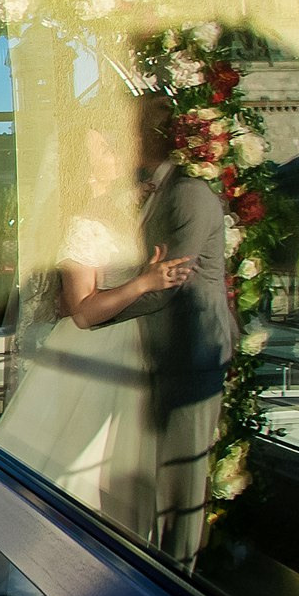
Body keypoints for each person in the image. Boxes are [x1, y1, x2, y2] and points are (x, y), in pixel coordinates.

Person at [0, 116, 194, 596]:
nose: (114, 154)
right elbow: (82, 312)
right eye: (102, 149)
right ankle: (48, 572)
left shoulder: (137, 208)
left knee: (110, 461)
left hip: (130, 348)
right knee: (66, 459)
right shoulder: (83, 224)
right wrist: (145, 282)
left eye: (109, 145)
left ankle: (110, 570)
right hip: (92, 347)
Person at [102, 92, 234, 566]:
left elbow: (166, 285)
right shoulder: (158, 191)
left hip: (190, 355)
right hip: (160, 353)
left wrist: (92, 314)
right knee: (160, 474)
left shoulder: (191, 196)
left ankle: (181, 584)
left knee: (183, 481)